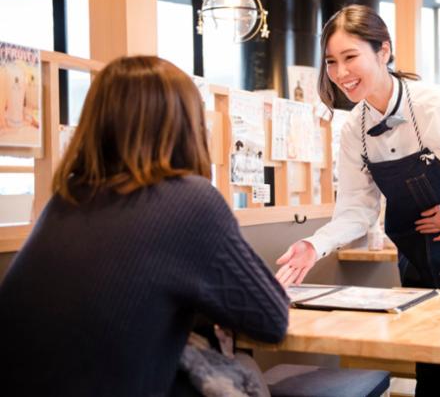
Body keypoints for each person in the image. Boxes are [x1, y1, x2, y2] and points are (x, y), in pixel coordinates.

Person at [275, 4, 440, 396]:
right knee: (429, 372)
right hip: (424, 261)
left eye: (350, 57)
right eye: (331, 61)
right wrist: (315, 245)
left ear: (383, 51)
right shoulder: (354, 131)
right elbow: (356, 211)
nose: (341, 72)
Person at [0, 56, 289, 397]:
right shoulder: (190, 201)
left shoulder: (65, 200)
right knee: (245, 371)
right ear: (186, 126)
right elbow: (271, 320)